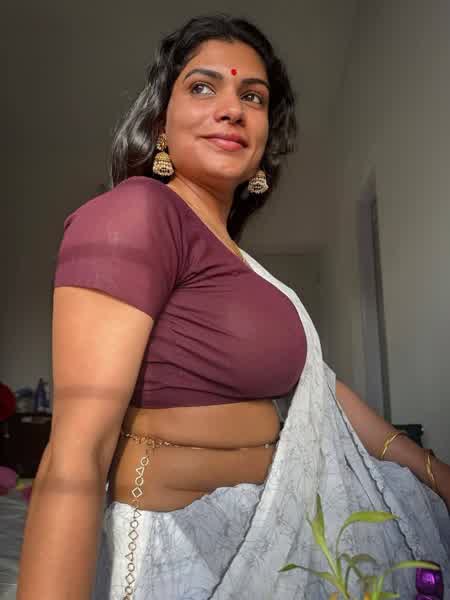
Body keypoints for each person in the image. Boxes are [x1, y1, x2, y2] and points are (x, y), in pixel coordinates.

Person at [17, 14, 450, 600]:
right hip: (184, 552)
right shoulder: (137, 213)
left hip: (285, 534)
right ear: (160, 123)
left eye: (253, 96)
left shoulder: (246, 268)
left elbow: (319, 389)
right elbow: (77, 454)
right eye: (202, 87)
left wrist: (431, 472)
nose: (232, 109)